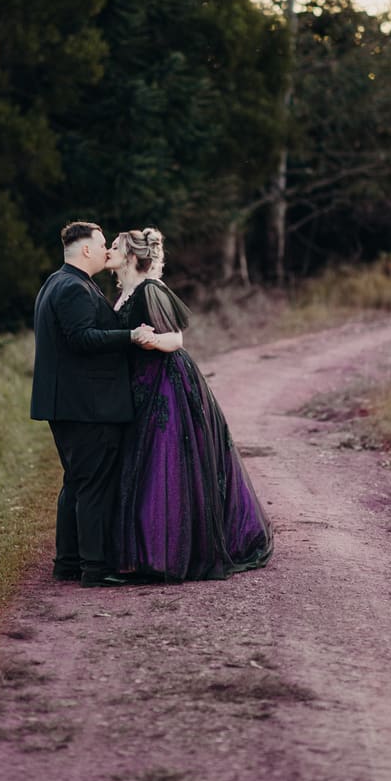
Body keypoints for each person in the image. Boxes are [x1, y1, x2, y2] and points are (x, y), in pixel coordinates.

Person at [106, 228, 273, 581]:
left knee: (163, 462)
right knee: (143, 462)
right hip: (140, 385)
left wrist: (151, 341)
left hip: (165, 382)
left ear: (132, 256)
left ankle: (163, 552)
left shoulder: (151, 289)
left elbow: (176, 339)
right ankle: (144, 549)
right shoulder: (125, 293)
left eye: (115, 246)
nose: (109, 250)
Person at [30, 220, 155, 588]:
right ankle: (94, 569)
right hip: (86, 406)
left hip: (70, 404)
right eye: (102, 244)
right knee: (93, 486)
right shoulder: (72, 287)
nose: (106, 251)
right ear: (86, 249)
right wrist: (130, 335)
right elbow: (81, 338)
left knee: (78, 483)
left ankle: (67, 563)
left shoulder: (59, 282)